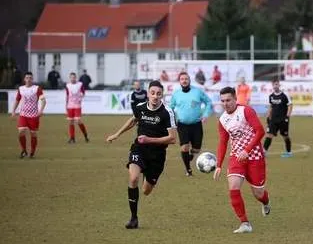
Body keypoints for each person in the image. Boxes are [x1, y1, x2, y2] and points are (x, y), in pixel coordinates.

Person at [106, 80, 177, 229]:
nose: (155, 96)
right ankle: (133, 218)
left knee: (145, 190)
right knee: (133, 178)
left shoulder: (167, 112)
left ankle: (149, 178)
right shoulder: (140, 107)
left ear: (162, 95)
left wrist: (149, 139)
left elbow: (172, 139)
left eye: (158, 94)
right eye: (152, 93)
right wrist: (117, 134)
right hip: (139, 149)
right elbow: (133, 120)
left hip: (157, 156)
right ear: (148, 94)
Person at [213, 86, 270, 234]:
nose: (226, 104)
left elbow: (260, 131)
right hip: (237, 157)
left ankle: (265, 202)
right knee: (233, 187)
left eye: (228, 100)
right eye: (223, 101)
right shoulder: (223, 119)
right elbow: (223, 142)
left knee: (258, 194)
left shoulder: (246, 111)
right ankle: (245, 223)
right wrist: (218, 164)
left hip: (255, 157)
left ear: (235, 99)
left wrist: (247, 150)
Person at [170, 72, 213, 176]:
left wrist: (206, 114)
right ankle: (188, 170)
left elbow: (208, 102)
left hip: (196, 124)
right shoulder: (176, 94)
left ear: (189, 80)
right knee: (184, 147)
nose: (184, 81)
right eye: (182, 79)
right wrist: (171, 119)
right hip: (182, 124)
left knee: (196, 149)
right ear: (179, 81)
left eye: (186, 79)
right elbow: (170, 107)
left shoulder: (197, 92)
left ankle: (190, 156)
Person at [11, 72, 46, 158]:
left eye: (30, 78)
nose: (28, 79)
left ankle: (32, 152)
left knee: (33, 133)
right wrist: (13, 111)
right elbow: (17, 100)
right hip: (23, 115)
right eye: (27, 78)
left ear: (32, 79)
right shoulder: (21, 89)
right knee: (21, 131)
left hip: (34, 116)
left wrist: (41, 110)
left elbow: (43, 100)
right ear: (24, 79)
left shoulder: (37, 88)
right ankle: (24, 150)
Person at [263, 78, 293, 158]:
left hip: (283, 119)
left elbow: (290, 105)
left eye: (277, 84)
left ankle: (289, 152)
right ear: (272, 86)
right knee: (269, 135)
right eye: (274, 84)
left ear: (279, 85)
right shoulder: (271, 96)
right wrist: (268, 116)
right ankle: (264, 152)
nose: (275, 86)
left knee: (285, 135)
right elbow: (271, 107)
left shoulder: (284, 95)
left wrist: (287, 116)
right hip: (273, 120)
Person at [65, 72, 89, 143]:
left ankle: (85, 135)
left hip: (77, 105)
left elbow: (83, 93)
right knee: (71, 122)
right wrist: (66, 105)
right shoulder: (67, 85)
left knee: (78, 121)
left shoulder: (80, 84)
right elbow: (67, 95)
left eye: (74, 77)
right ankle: (72, 138)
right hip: (70, 105)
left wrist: (80, 97)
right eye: (71, 77)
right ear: (70, 78)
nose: (73, 79)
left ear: (76, 78)